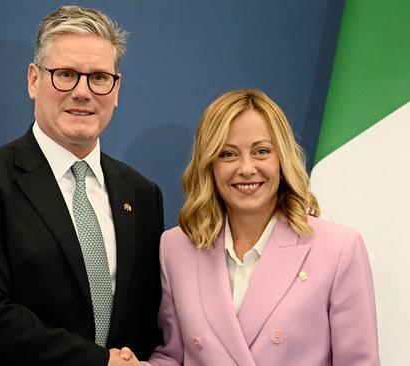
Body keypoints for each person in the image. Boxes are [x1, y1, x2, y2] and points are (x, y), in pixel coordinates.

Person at [0, 6, 163, 365]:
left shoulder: (141, 194)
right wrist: (99, 363)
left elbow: (148, 321)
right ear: (33, 80)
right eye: (66, 74)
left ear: (116, 88)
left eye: (99, 77)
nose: (82, 92)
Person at [138, 89, 380, 365]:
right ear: (209, 165)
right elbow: (175, 357)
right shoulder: (176, 247)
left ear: (282, 159)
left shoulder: (339, 249)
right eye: (228, 154)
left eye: (262, 151)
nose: (246, 168)